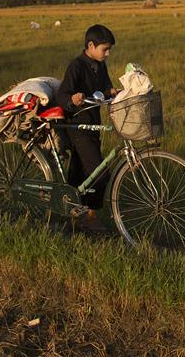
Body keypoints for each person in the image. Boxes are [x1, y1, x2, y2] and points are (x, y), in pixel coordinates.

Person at [56, 24, 119, 231]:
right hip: (77, 126)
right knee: (99, 172)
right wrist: (72, 99)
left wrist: (113, 91)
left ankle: (73, 211)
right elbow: (62, 95)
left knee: (81, 170)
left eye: (109, 49)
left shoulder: (100, 65)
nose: (108, 54)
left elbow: (105, 89)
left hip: (93, 125)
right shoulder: (76, 66)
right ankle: (90, 216)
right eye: (105, 49)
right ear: (90, 46)